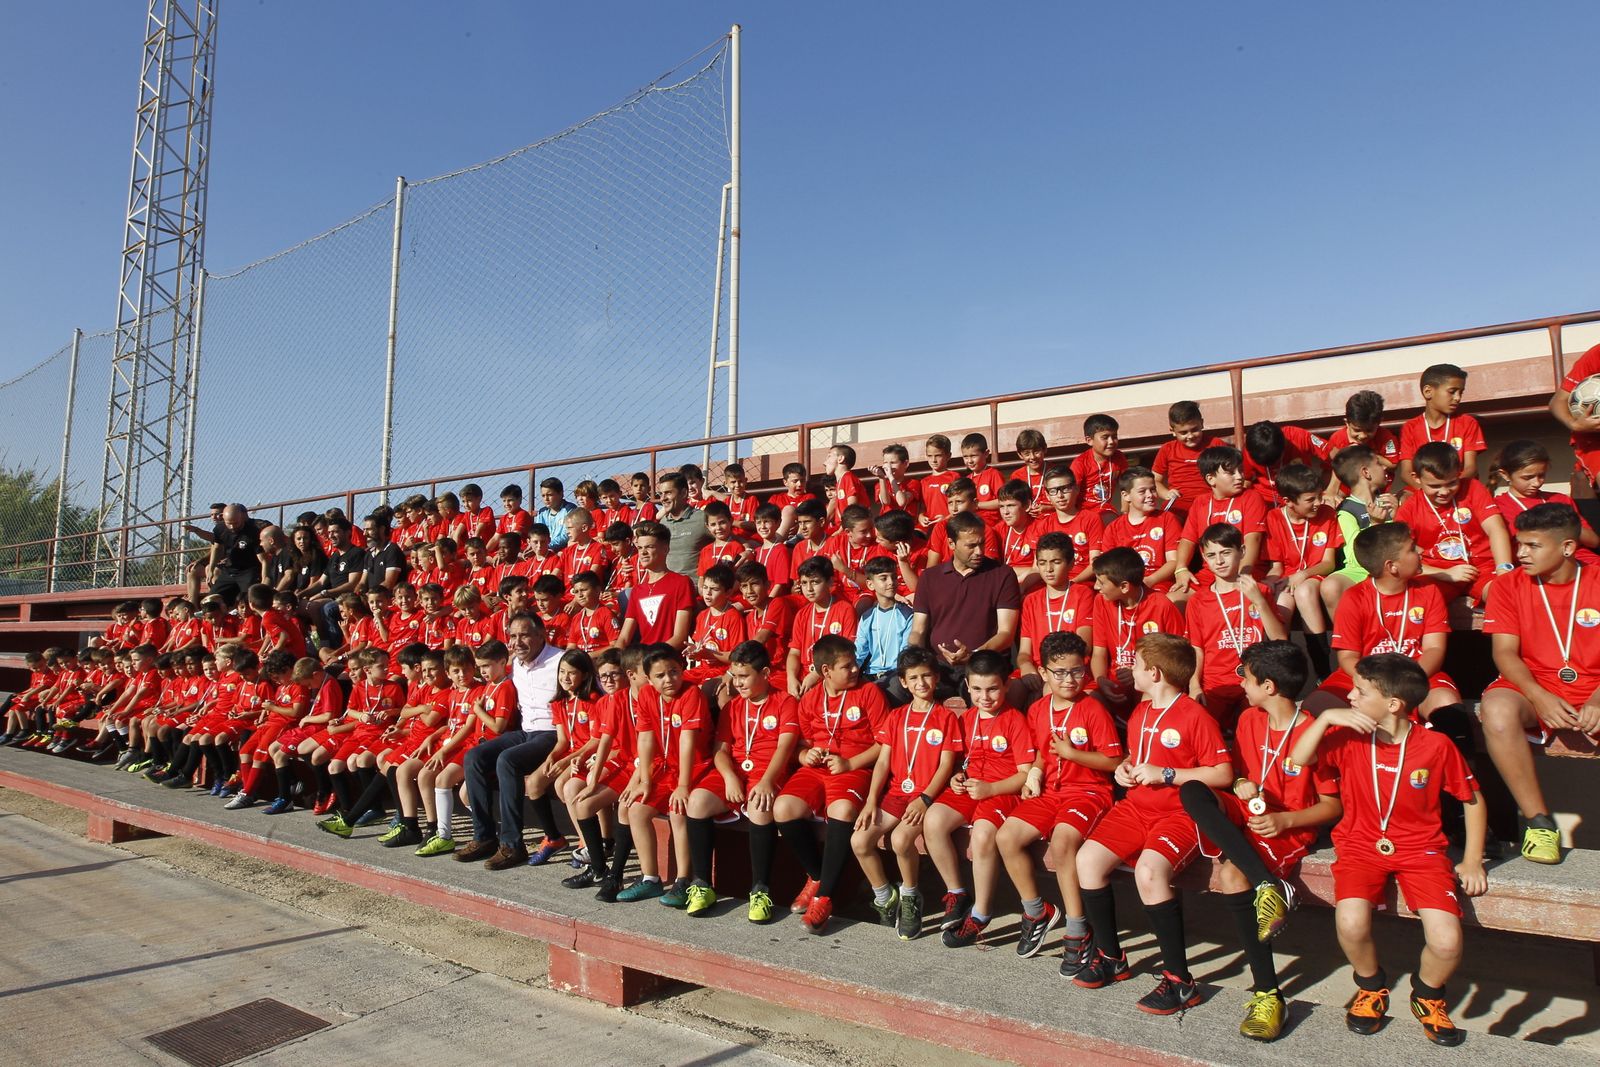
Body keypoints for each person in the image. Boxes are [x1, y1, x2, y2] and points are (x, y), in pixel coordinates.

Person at [1288, 653, 1488, 1047]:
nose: (1351, 697)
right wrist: (1325, 719)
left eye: (1361, 691)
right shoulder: (1348, 736)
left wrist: (1471, 860)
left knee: (1447, 941)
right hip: (1360, 845)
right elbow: (1298, 758)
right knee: (1350, 923)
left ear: (1393, 704)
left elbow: (1472, 799)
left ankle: (1427, 994)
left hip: (1421, 850)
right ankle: (1370, 985)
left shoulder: (1435, 745)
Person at [1179, 640, 1341, 1041]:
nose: (1240, 684)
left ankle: (1268, 994)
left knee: (1233, 876)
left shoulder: (1313, 731)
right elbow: (1237, 773)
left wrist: (1286, 819)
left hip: (1286, 825)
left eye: (1245, 677)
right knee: (1193, 789)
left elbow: (1332, 806)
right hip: (1249, 810)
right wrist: (1240, 783)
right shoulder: (1250, 718)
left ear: (1269, 686)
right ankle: (1270, 884)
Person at [1074, 634, 1232, 1015]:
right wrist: (1125, 769)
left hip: (1178, 814)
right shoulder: (1141, 711)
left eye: (1136, 664)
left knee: (1149, 872)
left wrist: (1168, 774)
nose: (1130, 669)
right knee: (1087, 861)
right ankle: (1111, 957)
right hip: (1136, 807)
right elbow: (1138, 757)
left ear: (1155, 673)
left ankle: (1180, 981)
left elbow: (1223, 773)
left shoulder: (1195, 715)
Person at [1480, 502, 1599, 864]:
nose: (1521, 554)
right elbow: (1504, 653)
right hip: (1533, 684)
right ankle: (1539, 824)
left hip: (1596, 685)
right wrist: (1539, 696)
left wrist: (1598, 697)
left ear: (1567, 547)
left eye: (1533, 546)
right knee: (1496, 709)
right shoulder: (1508, 585)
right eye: (1519, 544)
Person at [996, 631, 1122, 972]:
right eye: (1060, 672)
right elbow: (1041, 752)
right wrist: (1035, 775)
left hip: (1089, 793)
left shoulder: (1093, 709)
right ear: (1044, 672)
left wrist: (1072, 754)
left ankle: (1078, 928)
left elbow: (1113, 761)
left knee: (1064, 842)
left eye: (1077, 671)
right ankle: (1036, 912)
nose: (1069, 679)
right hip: (1052, 792)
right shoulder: (1038, 709)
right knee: (1006, 837)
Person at [774, 634, 890, 935]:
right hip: (818, 770)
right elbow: (802, 744)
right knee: (783, 807)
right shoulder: (810, 698)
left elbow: (884, 743)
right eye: (847, 666)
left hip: (855, 768)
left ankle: (824, 897)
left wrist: (850, 764)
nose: (855, 670)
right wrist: (805, 755)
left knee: (842, 810)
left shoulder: (868, 692)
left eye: (854, 664)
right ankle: (816, 876)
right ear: (826, 671)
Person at [921, 650, 1036, 948]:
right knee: (933, 820)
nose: (985, 697)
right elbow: (960, 761)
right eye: (977, 689)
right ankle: (957, 893)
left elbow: (1025, 774)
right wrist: (955, 777)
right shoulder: (968, 718)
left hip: (1002, 791)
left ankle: (981, 914)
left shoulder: (1015, 720)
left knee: (983, 834)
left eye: (993, 689)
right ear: (967, 687)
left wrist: (991, 789)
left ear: (1006, 685)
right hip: (972, 788)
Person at [684, 641, 802, 920]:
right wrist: (728, 777)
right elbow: (720, 750)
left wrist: (767, 781)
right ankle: (702, 885)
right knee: (697, 801)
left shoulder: (785, 702)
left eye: (744, 676)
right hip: (736, 772)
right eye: (734, 676)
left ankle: (760, 891)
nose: (737, 683)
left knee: (760, 807)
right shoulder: (733, 707)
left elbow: (785, 748)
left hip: (767, 773)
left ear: (765, 673)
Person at [851, 646, 963, 937]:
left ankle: (911, 897)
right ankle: (885, 897)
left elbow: (946, 765)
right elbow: (882, 762)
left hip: (927, 796)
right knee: (860, 840)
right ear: (903, 682)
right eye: (913, 678)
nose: (920, 683)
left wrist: (925, 799)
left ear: (936, 678)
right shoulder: (896, 716)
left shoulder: (946, 718)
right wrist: (871, 801)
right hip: (896, 793)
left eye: (926, 676)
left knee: (901, 840)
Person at [456, 616, 563, 869]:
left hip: (552, 732)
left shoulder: (560, 660)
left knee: (508, 760)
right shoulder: (515, 664)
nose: (517, 642)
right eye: (513, 636)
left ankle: (513, 845)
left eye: (524, 635)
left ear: (541, 634)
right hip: (526, 731)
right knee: (474, 756)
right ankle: (484, 837)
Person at [1185, 523, 1285, 729]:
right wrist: (1194, 686)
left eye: (1226, 552)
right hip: (1215, 685)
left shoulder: (1261, 591)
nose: (1219, 561)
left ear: (1242, 551)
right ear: (1204, 557)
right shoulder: (1198, 601)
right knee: (1199, 727)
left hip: (1256, 682)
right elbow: (1197, 649)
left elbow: (1279, 640)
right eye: (1211, 555)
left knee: (1254, 729)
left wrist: (1259, 602)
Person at [909, 511, 1021, 695]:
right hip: (938, 668)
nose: (979, 551)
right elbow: (918, 630)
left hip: (984, 667)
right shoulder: (929, 577)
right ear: (951, 544)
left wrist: (974, 654)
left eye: (981, 543)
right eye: (971, 546)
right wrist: (916, 661)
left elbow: (1006, 633)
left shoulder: (1002, 574)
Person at [1395, 441, 1512, 604]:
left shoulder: (1473, 488)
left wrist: (1504, 570)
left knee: (1504, 594)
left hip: (1483, 569)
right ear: (1416, 478)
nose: (1444, 492)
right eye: (1435, 486)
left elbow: (1496, 529)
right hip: (1439, 574)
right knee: (1419, 600)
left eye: (1451, 483)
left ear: (1459, 472)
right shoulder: (1409, 509)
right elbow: (1399, 557)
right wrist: (1445, 574)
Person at [1089, 546, 1186, 711]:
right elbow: (1099, 652)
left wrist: (1139, 673)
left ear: (1124, 587)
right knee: (1088, 699)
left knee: (1148, 696)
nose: (1096, 587)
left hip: (1150, 682)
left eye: (1102, 582)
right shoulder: (1101, 602)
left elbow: (1178, 658)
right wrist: (1100, 679)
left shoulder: (1161, 605)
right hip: (1115, 681)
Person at [1174, 446, 1268, 595]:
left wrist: (1242, 576)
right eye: (1231, 473)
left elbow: (1253, 539)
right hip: (1210, 573)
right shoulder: (1200, 502)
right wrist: (1181, 569)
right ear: (1211, 479)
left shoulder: (1251, 497)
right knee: (1173, 599)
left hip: (1245, 570)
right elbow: (1187, 540)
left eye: (1240, 470)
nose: (1239, 477)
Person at [1321, 444, 1399, 618]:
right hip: (1361, 571)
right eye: (1378, 463)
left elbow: (1406, 543)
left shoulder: (1390, 502)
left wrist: (1399, 515)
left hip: (1393, 566)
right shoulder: (1346, 511)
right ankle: (1346, 634)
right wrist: (1374, 524)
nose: (1384, 467)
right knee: (1331, 586)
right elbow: (1354, 557)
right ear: (1366, 472)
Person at [1397, 363, 1486, 489]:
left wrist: (1448, 488)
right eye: (1452, 392)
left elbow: (1470, 468)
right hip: (1425, 490)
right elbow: (1406, 473)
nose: (1457, 398)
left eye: (1461, 392)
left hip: (1458, 488)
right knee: (1403, 497)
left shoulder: (1467, 423)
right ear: (1428, 392)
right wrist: (1430, 491)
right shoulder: (1410, 427)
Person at [1101, 467, 1182, 597]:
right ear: (1126, 495)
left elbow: (1174, 561)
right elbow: (1109, 569)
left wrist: (1150, 580)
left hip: (1159, 584)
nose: (1150, 495)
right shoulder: (1113, 528)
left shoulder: (1167, 519)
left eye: (1153, 489)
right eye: (1142, 491)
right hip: (1125, 587)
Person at [616, 521, 695, 650]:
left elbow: (680, 638)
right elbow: (624, 638)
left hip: (666, 657)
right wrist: (614, 657)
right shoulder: (637, 591)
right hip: (643, 657)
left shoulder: (682, 583)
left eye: (649, 547)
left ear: (665, 549)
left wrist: (650, 657)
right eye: (640, 548)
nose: (643, 552)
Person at [786, 556, 857, 696]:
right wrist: (791, 678)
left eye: (815, 582)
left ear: (830, 581)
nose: (809, 589)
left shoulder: (845, 610)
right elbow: (794, 652)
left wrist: (816, 674)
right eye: (804, 583)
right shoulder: (802, 614)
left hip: (832, 677)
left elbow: (848, 654)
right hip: (804, 679)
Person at [1027, 466, 1108, 586]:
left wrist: (1072, 583)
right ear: (1047, 495)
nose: (1060, 495)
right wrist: (1021, 586)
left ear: (1076, 489)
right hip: (1051, 585)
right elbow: (1036, 568)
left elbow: (1095, 563)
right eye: (1053, 491)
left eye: (1065, 489)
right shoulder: (1043, 525)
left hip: (1081, 584)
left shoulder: (1091, 519)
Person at [1153, 401, 1229, 517]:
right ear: (1173, 431)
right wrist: (1166, 493)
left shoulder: (1216, 444)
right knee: (1166, 520)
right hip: (1179, 502)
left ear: (1202, 423)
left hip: (1211, 500)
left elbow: (1231, 472)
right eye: (1183, 432)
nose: (1190, 436)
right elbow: (1154, 480)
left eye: (1194, 430)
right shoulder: (1167, 449)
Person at [855, 556, 914, 697]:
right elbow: (859, 652)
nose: (891, 582)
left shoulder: (907, 615)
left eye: (893, 577)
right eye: (883, 578)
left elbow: (905, 653)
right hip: (870, 674)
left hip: (895, 675)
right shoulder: (867, 616)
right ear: (870, 584)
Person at [1243, 420, 1331, 505]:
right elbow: (1246, 480)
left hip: (1302, 497)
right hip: (1266, 499)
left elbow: (1335, 457)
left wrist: (1330, 490)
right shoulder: (1252, 447)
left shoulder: (1296, 436)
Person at [206, 504, 266, 607]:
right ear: (223, 519)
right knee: (211, 601)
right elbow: (217, 548)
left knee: (248, 599)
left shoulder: (253, 531)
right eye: (229, 524)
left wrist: (265, 578)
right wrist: (211, 568)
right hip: (230, 570)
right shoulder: (219, 529)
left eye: (235, 523)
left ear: (242, 518)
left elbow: (264, 560)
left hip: (249, 570)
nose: (232, 527)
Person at [656, 472, 710, 577]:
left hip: (694, 585)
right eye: (661, 494)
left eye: (668, 493)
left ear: (684, 493)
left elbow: (730, 542)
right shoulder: (663, 523)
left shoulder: (702, 518)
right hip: (669, 584)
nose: (663, 498)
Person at [1070, 414, 1127, 511]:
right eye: (1105, 437)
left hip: (1106, 510)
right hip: (1083, 513)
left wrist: (1125, 513)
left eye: (1114, 437)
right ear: (1089, 440)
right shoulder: (1080, 463)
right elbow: (1070, 494)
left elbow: (1127, 487)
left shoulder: (1119, 457)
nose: (1111, 441)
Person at [534, 477, 575, 550]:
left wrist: (547, 546)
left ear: (561, 494)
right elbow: (537, 533)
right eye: (543, 495)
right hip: (543, 548)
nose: (546, 499)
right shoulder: (542, 512)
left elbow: (566, 535)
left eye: (549, 495)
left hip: (563, 549)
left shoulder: (569, 510)